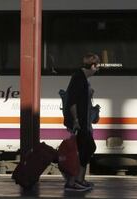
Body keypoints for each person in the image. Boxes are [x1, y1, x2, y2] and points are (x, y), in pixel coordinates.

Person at [64, 53, 100, 192]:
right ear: (92, 66)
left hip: (84, 122)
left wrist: (89, 95)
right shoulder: (78, 78)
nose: (97, 70)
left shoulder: (82, 78)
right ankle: (73, 182)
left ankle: (79, 179)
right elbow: (72, 101)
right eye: (97, 67)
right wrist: (76, 121)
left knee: (88, 148)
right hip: (79, 122)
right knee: (83, 149)